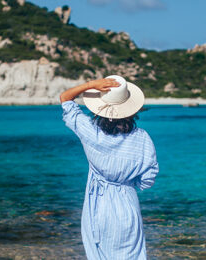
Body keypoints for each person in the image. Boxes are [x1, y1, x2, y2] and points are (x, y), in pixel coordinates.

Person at [60, 75, 159, 259]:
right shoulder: (142, 138)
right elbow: (147, 181)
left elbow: (65, 99)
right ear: (131, 109)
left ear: (99, 109)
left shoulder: (90, 132)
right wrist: (127, 181)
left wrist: (91, 85)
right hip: (128, 206)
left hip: (98, 207)